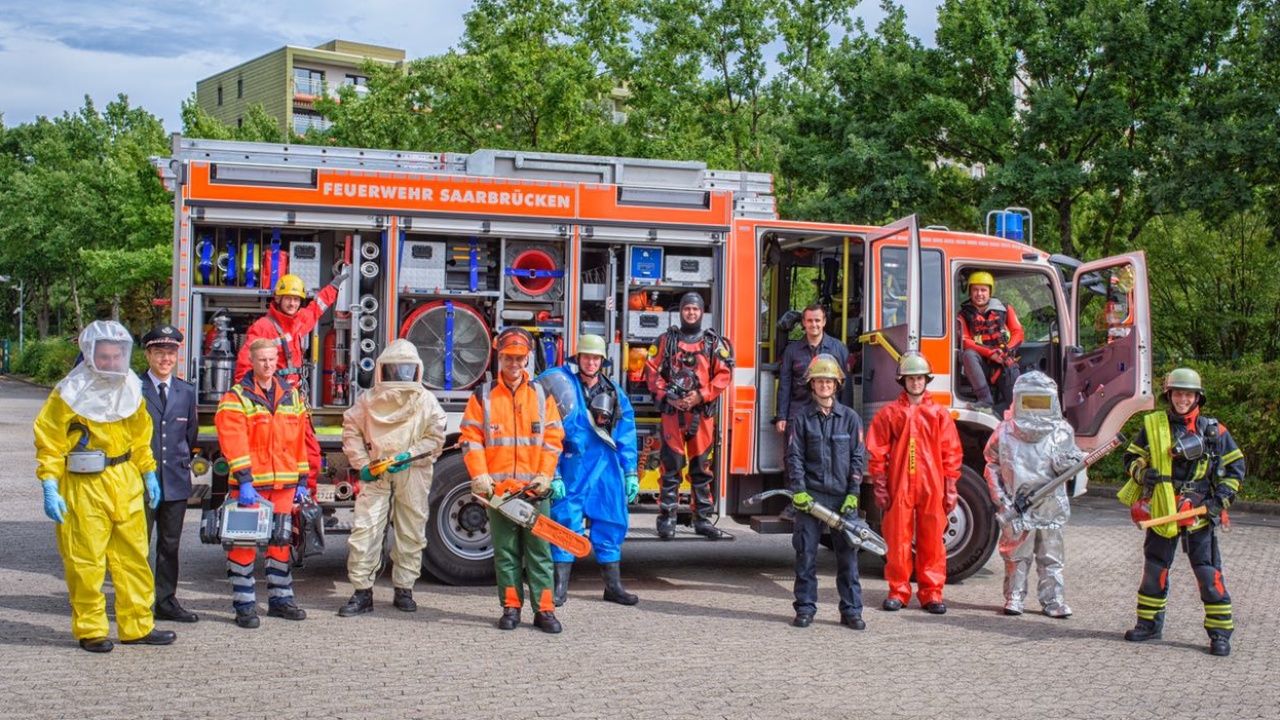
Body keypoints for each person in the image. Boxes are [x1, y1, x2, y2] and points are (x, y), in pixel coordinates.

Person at [34, 321, 176, 652]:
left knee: (134, 557)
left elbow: (141, 436)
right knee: (86, 560)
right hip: (84, 485)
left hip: (125, 478)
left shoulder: (129, 388)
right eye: (106, 355)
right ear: (91, 354)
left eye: (117, 355)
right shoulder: (68, 393)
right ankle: (91, 629)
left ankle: (137, 625)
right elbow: (50, 442)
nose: (112, 362)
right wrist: (49, 483)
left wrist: (148, 472)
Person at [1117, 368, 1244, 657]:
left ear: (1198, 397)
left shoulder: (1214, 431)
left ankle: (1220, 634)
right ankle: (1148, 625)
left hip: (1199, 512)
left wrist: (1219, 501)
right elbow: (1131, 457)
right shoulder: (1153, 426)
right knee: (1154, 570)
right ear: (1169, 395)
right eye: (1178, 393)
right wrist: (1142, 472)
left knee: (1208, 574)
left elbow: (1235, 468)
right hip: (1163, 508)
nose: (1183, 399)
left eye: (1188, 394)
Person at [461, 327, 565, 632]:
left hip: (535, 491)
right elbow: (470, 438)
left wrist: (546, 475)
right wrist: (479, 475)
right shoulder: (483, 396)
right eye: (509, 357)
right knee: (505, 552)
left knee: (540, 553)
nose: (514, 364)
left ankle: (544, 610)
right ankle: (510, 607)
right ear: (500, 358)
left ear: (527, 359)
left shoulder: (542, 395)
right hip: (499, 492)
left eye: (519, 358)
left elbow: (553, 439)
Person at [338, 339, 447, 616]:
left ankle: (404, 589)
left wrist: (408, 455)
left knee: (411, 531)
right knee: (365, 530)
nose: (400, 374)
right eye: (395, 369)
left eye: (405, 369)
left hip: (412, 472)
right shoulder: (369, 399)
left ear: (416, 370)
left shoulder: (425, 400)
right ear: (383, 369)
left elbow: (435, 437)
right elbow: (351, 428)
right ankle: (362, 592)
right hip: (376, 472)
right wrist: (362, 464)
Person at [535, 334, 640, 607]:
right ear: (577, 358)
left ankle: (613, 587)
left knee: (611, 521)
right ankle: (559, 588)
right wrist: (554, 473)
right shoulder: (561, 387)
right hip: (573, 465)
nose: (591, 362)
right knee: (564, 521)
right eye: (586, 357)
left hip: (606, 467)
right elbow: (549, 433)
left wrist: (630, 472)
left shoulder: (615, 393)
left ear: (602, 361)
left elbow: (626, 434)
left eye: (595, 358)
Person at [215, 338, 311, 629]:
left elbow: (299, 442)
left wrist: (303, 479)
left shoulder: (291, 395)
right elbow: (233, 442)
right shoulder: (236, 397)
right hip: (251, 486)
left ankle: (281, 600)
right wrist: (244, 480)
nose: (268, 365)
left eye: (272, 360)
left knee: (280, 544)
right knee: (243, 545)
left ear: (277, 361)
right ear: (252, 362)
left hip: (284, 484)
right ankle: (244, 605)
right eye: (262, 360)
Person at [234, 269, 348, 495]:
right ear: (278, 299)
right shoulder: (263, 328)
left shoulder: (298, 322)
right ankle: (282, 504)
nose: (293, 303)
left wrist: (334, 286)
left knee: (311, 453)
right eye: (288, 298)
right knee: (278, 455)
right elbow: (245, 367)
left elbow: (318, 308)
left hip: (293, 401)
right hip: (272, 403)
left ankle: (307, 504)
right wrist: (251, 400)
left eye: (296, 299)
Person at [865, 352, 963, 615]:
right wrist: (881, 485)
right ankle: (898, 591)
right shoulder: (890, 414)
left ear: (926, 380)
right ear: (903, 381)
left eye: (919, 378)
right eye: (911, 379)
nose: (916, 383)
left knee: (933, 541)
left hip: (932, 485)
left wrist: (950, 486)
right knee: (897, 540)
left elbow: (951, 452)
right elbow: (878, 452)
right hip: (900, 485)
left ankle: (932, 593)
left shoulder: (939, 414)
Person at [983, 372, 1082, 618]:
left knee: (1051, 557)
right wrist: (1001, 499)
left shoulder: (1061, 432)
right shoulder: (1004, 432)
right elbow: (991, 465)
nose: (1036, 409)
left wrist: (1067, 463)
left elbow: (1072, 463)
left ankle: (1053, 600)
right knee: (1016, 556)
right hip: (1018, 508)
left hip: (1050, 506)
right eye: (1030, 401)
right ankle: (1014, 597)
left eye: (1041, 402)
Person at [785, 354, 866, 629]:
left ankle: (852, 610)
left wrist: (854, 493)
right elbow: (794, 457)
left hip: (843, 498)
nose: (824, 385)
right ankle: (805, 608)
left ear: (836, 384)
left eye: (829, 381)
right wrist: (799, 491)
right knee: (805, 555)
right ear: (812, 384)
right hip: (812, 498)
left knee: (847, 557)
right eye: (819, 381)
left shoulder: (851, 419)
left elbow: (858, 458)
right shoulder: (801, 419)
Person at [645, 291, 734, 540]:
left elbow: (724, 374)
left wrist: (701, 395)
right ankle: (667, 518)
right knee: (670, 467)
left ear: (701, 312)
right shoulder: (666, 340)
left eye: (695, 309)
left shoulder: (713, 343)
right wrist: (669, 395)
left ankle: (703, 519)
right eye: (687, 309)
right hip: (673, 413)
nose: (691, 313)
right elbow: (651, 371)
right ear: (681, 311)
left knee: (701, 469)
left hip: (701, 414)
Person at [139, 324, 200, 624]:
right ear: (148, 354)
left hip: (175, 481)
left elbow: (189, 436)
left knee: (169, 545)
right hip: (140, 481)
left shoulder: (185, 391)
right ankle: (135, 603)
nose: (166, 358)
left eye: (171, 353)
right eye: (160, 352)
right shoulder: (134, 388)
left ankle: (165, 601)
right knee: (136, 546)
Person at [775, 304, 850, 434]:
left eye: (817, 320)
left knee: (826, 454)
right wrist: (782, 416)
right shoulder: (791, 351)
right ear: (804, 322)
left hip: (830, 414)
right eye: (810, 321)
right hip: (798, 413)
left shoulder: (839, 349)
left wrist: (846, 417)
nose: (814, 324)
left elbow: (846, 386)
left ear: (824, 322)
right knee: (794, 454)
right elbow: (785, 385)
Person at [957, 270, 1024, 414]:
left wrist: (1006, 350)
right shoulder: (963, 315)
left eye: (983, 290)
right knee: (968, 354)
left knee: (1019, 408)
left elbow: (1018, 333)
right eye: (975, 290)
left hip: (1004, 362)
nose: (979, 294)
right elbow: (966, 341)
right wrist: (990, 353)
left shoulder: (1005, 309)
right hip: (981, 365)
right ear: (970, 292)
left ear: (990, 292)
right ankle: (985, 401)